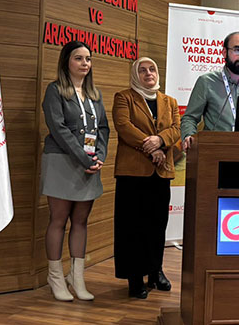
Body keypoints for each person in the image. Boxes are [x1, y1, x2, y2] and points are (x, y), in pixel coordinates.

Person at [40, 41, 109, 302]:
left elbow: (103, 128)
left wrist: (99, 155)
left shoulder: (94, 94)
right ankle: (55, 277)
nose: (84, 63)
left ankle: (76, 277)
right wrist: (84, 158)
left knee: (81, 221)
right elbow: (58, 128)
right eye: (78, 58)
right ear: (66, 62)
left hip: (89, 163)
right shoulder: (55, 90)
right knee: (58, 220)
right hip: (62, 161)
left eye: (88, 59)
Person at [112, 57, 181, 299]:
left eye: (152, 69)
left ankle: (155, 271)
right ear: (135, 75)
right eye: (142, 70)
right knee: (132, 227)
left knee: (156, 225)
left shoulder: (169, 101)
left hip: (160, 173)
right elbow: (123, 126)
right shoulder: (124, 97)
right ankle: (134, 278)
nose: (148, 73)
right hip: (132, 173)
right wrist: (152, 148)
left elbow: (176, 129)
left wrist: (160, 140)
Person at [181, 31, 239, 151]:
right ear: (224, 52)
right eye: (237, 50)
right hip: (216, 150)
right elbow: (190, 118)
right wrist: (188, 136)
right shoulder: (207, 82)